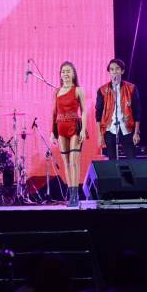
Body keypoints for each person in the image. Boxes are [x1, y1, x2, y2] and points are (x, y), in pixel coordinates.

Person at [50, 61, 87, 207]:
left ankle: (75, 195)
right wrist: (52, 132)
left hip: (74, 127)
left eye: (68, 71)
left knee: (73, 162)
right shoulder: (56, 92)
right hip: (61, 128)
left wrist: (83, 129)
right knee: (66, 163)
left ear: (73, 74)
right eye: (63, 71)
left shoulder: (78, 90)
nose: (65, 74)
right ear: (60, 75)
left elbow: (84, 111)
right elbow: (54, 113)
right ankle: (71, 194)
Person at [95, 58, 141, 160]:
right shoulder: (102, 90)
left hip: (127, 128)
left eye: (117, 69)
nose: (114, 72)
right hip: (109, 129)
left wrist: (136, 132)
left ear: (122, 71)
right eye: (112, 69)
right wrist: (100, 135)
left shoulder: (131, 88)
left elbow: (137, 112)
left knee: (132, 159)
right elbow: (98, 114)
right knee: (112, 161)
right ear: (109, 72)